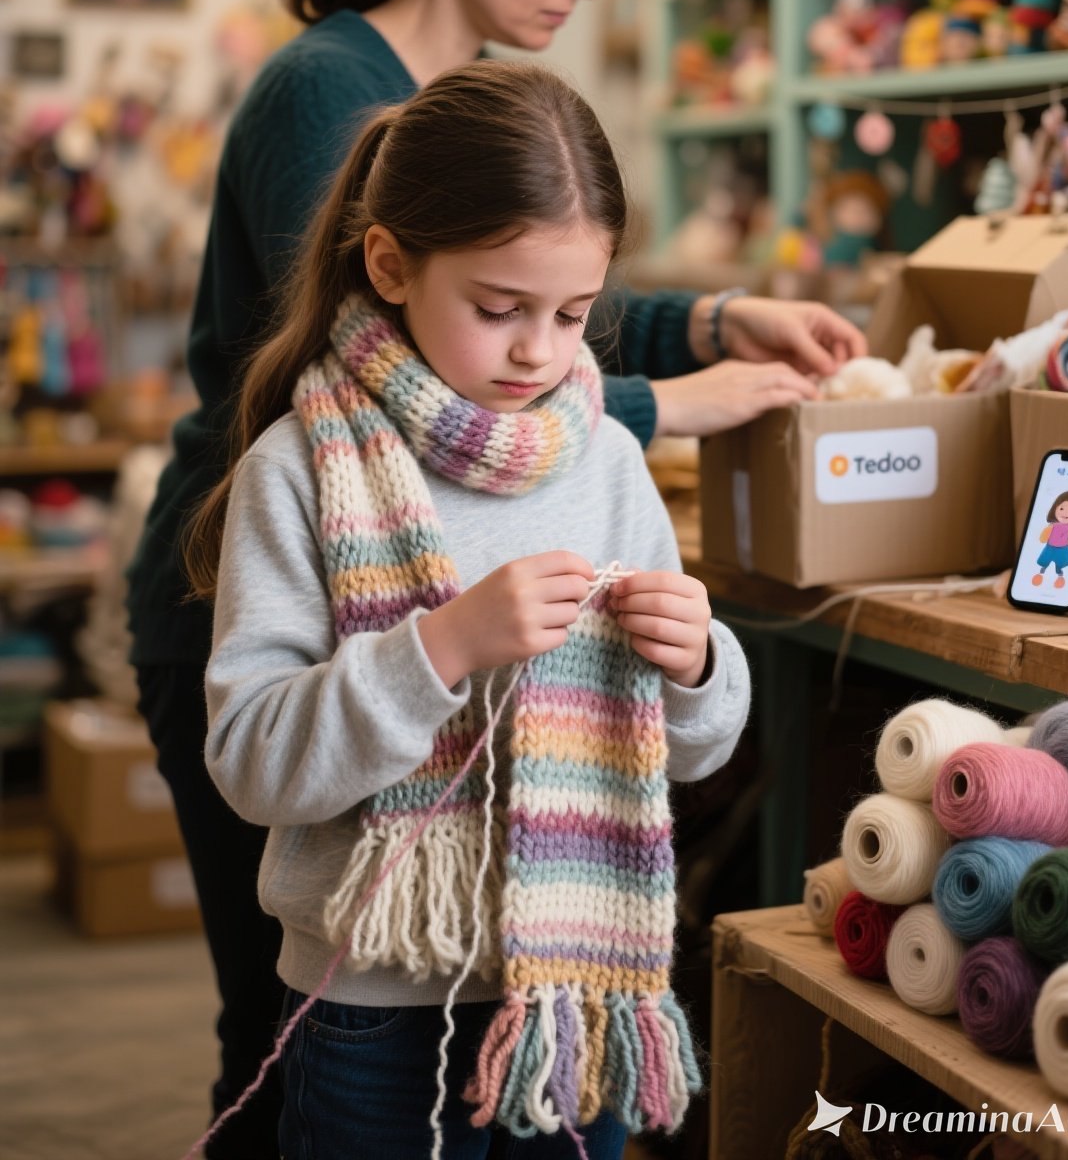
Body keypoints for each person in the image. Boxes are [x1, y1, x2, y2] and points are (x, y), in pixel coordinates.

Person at [126, 0, 861, 1155]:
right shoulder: (328, 112)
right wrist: (658, 409)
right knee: (269, 1055)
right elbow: (436, 350)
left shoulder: (560, 393)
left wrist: (696, 338)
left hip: (550, 989)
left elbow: (518, 313)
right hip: (350, 933)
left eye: (573, 318)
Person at [186, 60, 751, 1159]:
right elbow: (251, 760)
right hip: (370, 998)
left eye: (574, 312)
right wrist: (438, 646)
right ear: (391, 264)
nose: (541, 349)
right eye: (500, 308)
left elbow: (692, 748)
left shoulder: (609, 462)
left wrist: (699, 666)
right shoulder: (297, 468)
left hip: (573, 986)